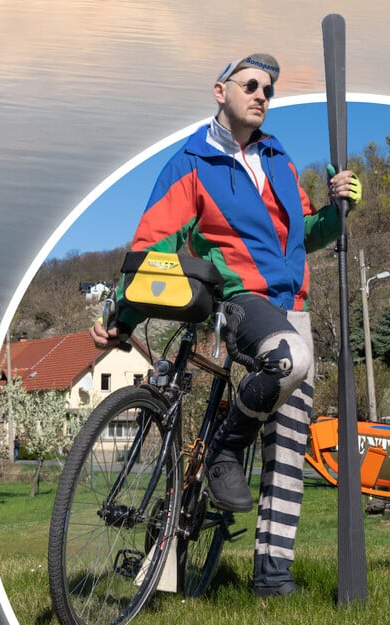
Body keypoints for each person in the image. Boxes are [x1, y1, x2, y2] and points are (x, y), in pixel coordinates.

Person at [90, 54, 362, 597]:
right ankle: (225, 448)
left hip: (294, 304)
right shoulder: (190, 163)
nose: (263, 94)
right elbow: (152, 249)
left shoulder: (279, 159)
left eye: (270, 88)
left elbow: (300, 235)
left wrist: (334, 212)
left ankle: (273, 578)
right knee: (291, 358)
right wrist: (120, 317)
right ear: (221, 90)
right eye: (252, 84)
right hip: (239, 299)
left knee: (288, 446)